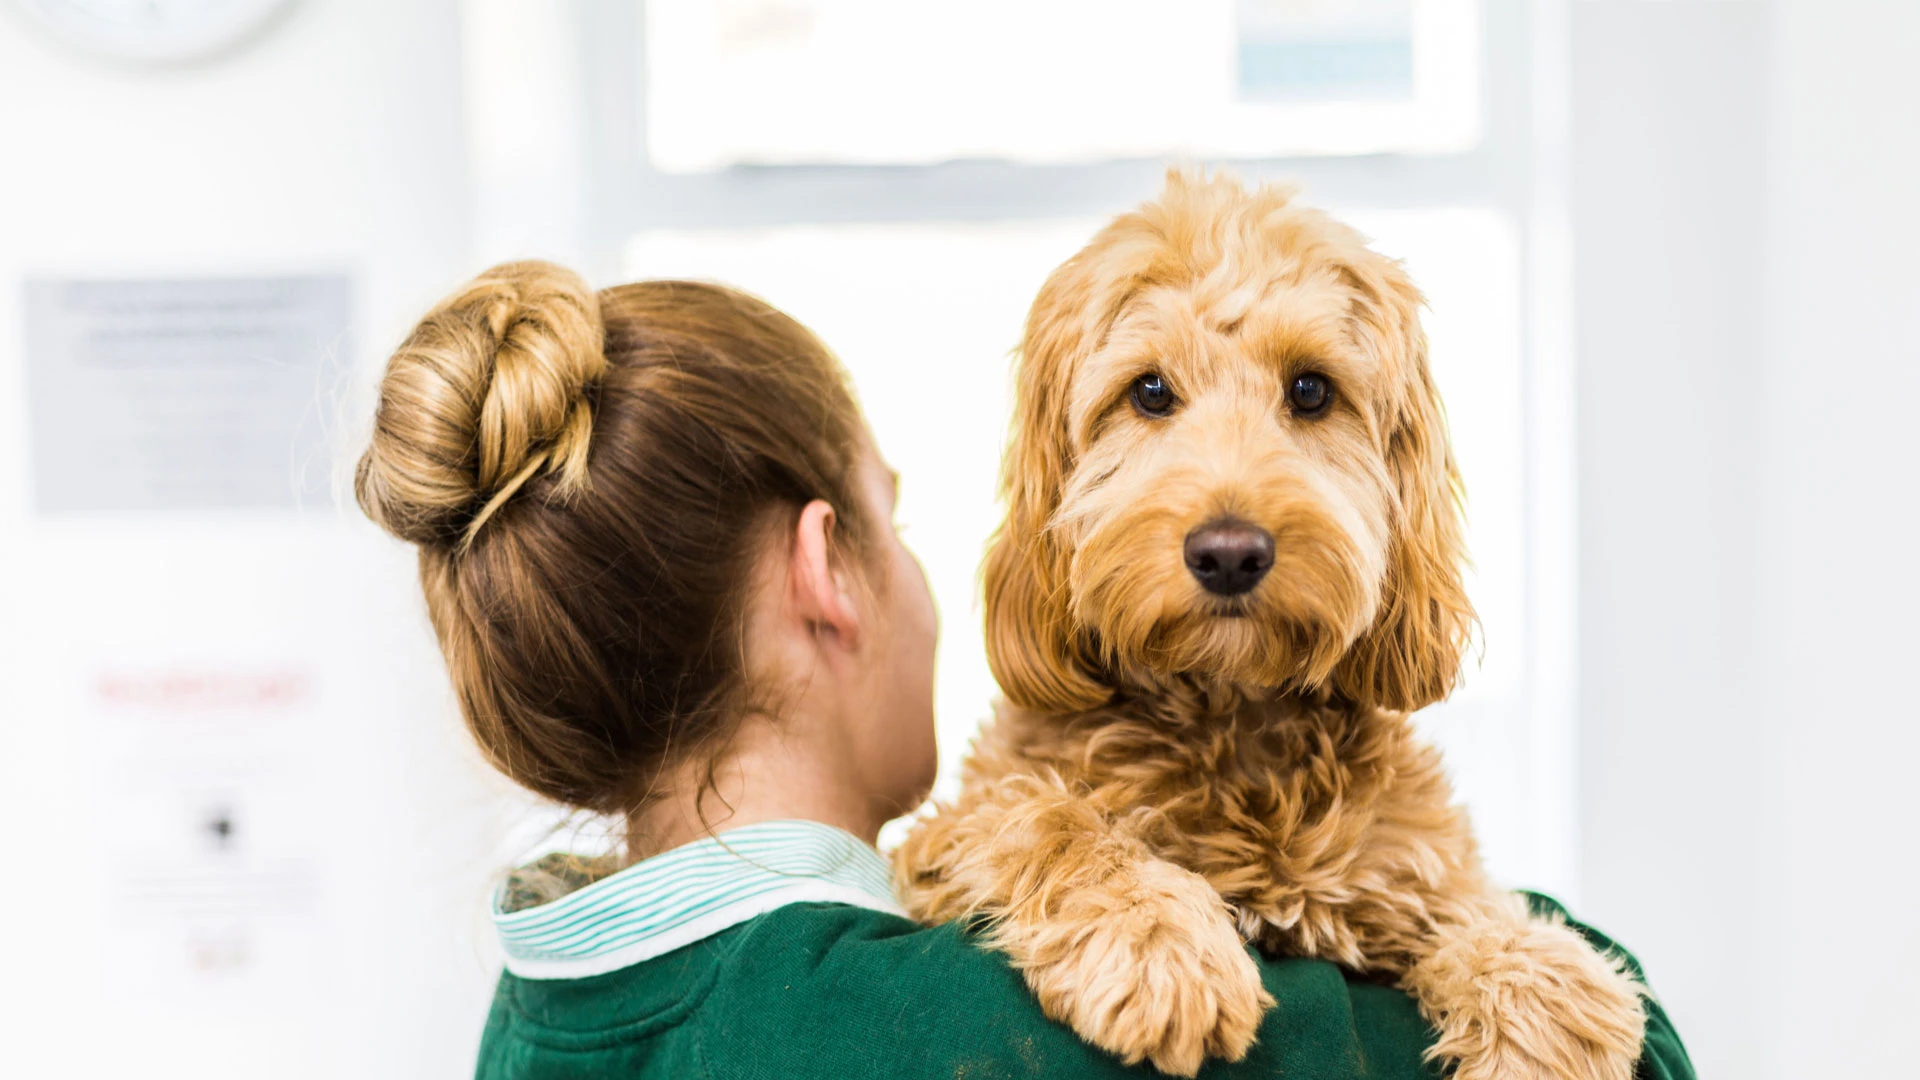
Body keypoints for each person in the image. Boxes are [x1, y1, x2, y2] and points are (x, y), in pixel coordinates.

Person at [355, 260, 1694, 1080]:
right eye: (898, 518)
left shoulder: (545, 1002)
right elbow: (1639, 1062)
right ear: (828, 572)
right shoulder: (932, 1024)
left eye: (1308, 394)